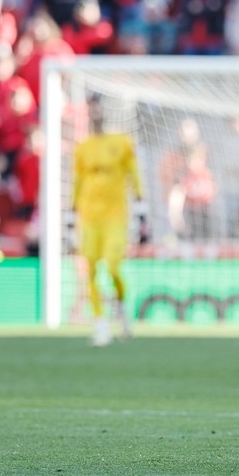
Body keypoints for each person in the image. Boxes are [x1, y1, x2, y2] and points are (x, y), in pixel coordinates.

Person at [73, 95, 142, 346]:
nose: (95, 114)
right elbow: (78, 182)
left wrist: (141, 206)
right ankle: (100, 323)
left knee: (113, 266)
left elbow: (134, 174)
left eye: (98, 109)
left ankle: (121, 308)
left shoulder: (121, 143)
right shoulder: (82, 148)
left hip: (115, 216)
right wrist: (72, 214)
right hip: (89, 217)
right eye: (90, 109)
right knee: (89, 268)